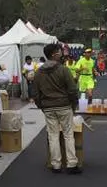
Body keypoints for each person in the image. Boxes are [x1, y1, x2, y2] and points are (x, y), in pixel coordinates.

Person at [33, 43, 82, 174]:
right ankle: (71, 164)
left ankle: (56, 164)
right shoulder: (63, 70)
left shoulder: (39, 72)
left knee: (53, 135)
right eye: (60, 51)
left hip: (48, 107)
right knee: (68, 135)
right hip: (64, 105)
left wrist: (41, 106)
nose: (61, 54)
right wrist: (74, 104)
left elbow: (35, 93)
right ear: (54, 54)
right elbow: (72, 89)